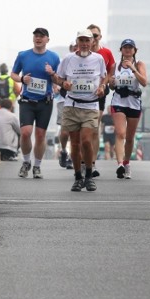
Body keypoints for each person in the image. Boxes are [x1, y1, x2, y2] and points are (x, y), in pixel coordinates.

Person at [47, 29, 108, 192]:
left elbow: (104, 77)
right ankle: (77, 177)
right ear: (77, 42)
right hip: (71, 105)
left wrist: (102, 87)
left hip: (90, 106)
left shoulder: (98, 58)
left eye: (87, 40)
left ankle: (88, 174)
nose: (84, 43)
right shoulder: (68, 59)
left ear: (92, 42)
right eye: (81, 40)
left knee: (86, 141)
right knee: (74, 144)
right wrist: (63, 83)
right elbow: (57, 77)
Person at [11, 27, 60, 179]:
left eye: (42, 36)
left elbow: (58, 79)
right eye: (36, 36)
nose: (38, 39)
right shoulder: (23, 55)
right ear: (33, 38)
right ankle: (26, 162)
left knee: (40, 135)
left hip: (45, 102)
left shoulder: (54, 57)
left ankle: (37, 166)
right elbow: (13, 74)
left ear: (47, 40)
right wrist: (22, 79)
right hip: (27, 101)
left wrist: (52, 74)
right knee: (26, 133)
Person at [109, 39, 147, 179]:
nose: (127, 50)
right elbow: (111, 85)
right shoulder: (115, 65)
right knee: (120, 133)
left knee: (130, 138)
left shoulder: (139, 64)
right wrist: (111, 83)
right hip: (119, 101)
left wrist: (133, 69)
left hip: (134, 102)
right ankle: (119, 164)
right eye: (125, 47)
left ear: (134, 50)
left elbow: (144, 82)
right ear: (121, 50)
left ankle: (126, 163)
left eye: (130, 48)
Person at [87, 24, 116, 176]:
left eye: (96, 36)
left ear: (100, 37)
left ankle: (92, 163)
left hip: (99, 94)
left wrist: (106, 83)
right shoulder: (80, 53)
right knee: (83, 131)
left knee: (94, 129)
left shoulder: (106, 52)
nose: (93, 39)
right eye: (90, 36)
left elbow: (112, 68)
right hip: (81, 95)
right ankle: (82, 160)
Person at [56, 41, 77, 169]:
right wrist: (57, 86)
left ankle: (72, 157)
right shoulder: (65, 61)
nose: (76, 49)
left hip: (80, 101)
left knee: (76, 132)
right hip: (63, 100)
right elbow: (57, 77)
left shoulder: (88, 61)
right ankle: (64, 151)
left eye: (77, 47)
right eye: (74, 47)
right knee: (65, 133)